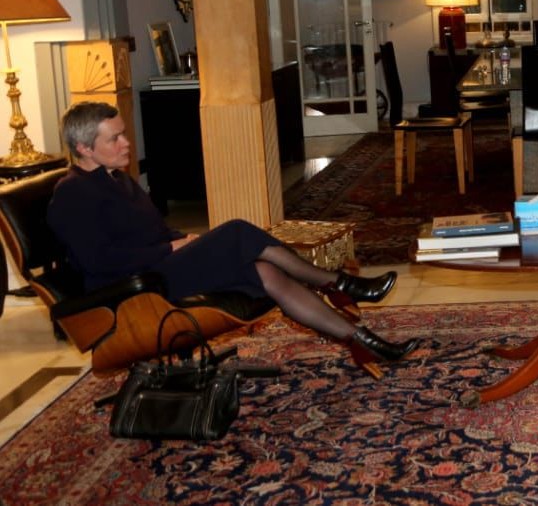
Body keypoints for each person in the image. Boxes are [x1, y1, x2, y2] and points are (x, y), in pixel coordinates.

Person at [47, 102, 417, 378]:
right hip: (134, 292)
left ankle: (361, 339)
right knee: (237, 231)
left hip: (158, 270)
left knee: (264, 271)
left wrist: (180, 239)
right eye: (115, 138)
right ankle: (338, 282)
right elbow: (100, 262)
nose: (127, 143)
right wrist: (169, 248)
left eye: (124, 133)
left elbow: (152, 232)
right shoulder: (72, 194)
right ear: (84, 148)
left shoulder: (116, 179)